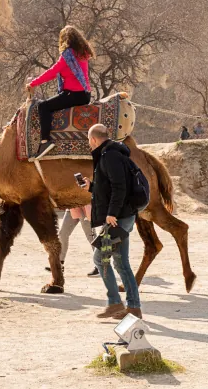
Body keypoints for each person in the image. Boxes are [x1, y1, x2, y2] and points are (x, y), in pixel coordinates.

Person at [78, 123, 141, 320]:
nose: (89, 144)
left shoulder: (110, 156)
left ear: (94, 139)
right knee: (121, 263)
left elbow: (119, 187)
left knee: (101, 259)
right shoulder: (112, 154)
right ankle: (131, 308)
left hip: (118, 218)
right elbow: (109, 187)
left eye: (89, 140)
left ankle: (116, 303)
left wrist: (112, 213)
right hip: (122, 216)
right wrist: (92, 187)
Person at [25, 25, 94, 158]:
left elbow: (52, 73)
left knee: (43, 106)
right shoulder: (83, 53)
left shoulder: (67, 56)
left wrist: (33, 83)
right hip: (85, 95)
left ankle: (45, 141)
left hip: (74, 94)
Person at [53, 205, 100, 278]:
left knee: (91, 237)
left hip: (85, 206)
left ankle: (100, 266)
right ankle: (60, 264)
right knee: (62, 234)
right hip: (72, 206)